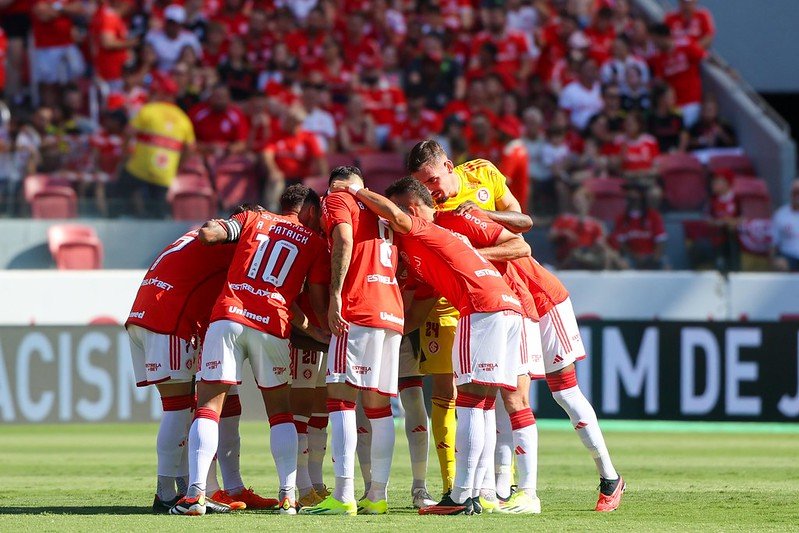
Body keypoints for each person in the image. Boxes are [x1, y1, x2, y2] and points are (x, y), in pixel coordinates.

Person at [326, 177, 526, 516]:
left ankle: (460, 497)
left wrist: (354, 191)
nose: (387, 219)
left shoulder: (422, 229)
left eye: (393, 211)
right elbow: (417, 312)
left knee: (469, 404)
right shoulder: (436, 243)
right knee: (484, 404)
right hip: (507, 307)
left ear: (411, 208)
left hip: (481, 308)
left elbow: (396, 216)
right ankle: (478, 493)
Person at [170, 197, 330, 516]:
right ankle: (288, 497)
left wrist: (214, 227)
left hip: (229, 316)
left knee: (208, 408)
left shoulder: (252, 219)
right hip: (272, 324)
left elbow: (208, 235)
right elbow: (313, 298)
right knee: (280, 413)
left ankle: (195, 496)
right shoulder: (314, 242)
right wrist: (318, 332)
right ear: (309, 211)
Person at [406, 139, 531, 497]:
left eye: (432, 181)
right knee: (446, 392)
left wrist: (477, 221)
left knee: (505, 393)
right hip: (444, 305)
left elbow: (523, 222)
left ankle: (500, 481)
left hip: (494, 298)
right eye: (423, 185)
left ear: (448, 166)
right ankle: (452, 485)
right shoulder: (430, 206)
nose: (431, 192)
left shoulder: (482, 172)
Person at [126, 204, 268, 514]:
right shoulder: (233, 241)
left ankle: (211, 489)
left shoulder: (197, 238)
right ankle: (167, 494)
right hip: (170, 319)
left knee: (219, 398)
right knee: (178, 408)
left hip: (150, 313)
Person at [297, 166, 404, 517]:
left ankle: (343, 494)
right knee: (379, 408)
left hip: (358, 308)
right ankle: (377, 496)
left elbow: (343, 238)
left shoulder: (337, 198)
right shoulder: (379, 206)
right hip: (391, 310)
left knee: (340, 399)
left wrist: (337, 294)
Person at [278, 184, 332, 508]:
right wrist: (310, 329)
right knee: (300, 408)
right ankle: (299, 485)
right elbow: (286, 295)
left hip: (323, 335)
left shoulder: (318, 240)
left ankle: (317, 481)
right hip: (302, 336)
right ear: (309, 210)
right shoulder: (298, 241)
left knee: (321, 411)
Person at [118, 73, 195, 217]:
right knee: (157, 213)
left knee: (119, 198)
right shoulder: (183, 118)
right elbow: (190, 148)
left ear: (160, 93)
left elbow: (128, 132)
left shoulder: (149, 110)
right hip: (164, 173)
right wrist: (178, 165)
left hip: (139, 168)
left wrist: (125, 153)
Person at [262, 106, 328, 212]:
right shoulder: (277, 135)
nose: (293, 125)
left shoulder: (308, 137)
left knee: (310, 187)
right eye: (290, 121)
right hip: (281, 177)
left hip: (302, 177)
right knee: (276, 182)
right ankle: (271, 211)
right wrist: (273, 170)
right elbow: (267, 154)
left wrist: (324, 176)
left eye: (296, 122)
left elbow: (319, 158)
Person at [648, 22, 707, 128]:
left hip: (691, 102)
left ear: (663, 37)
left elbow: (706, 58)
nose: (654, 45)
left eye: (655, 41)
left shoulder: (686, 45)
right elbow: (660, 82)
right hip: (673, 107)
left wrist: (728, 70)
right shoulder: (658, 58)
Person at [31, 0, 89, 107]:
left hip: (68, 44)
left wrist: (55, 8)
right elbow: (43, 15)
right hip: (46, 46)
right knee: (49, 84)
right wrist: (65, 9)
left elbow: (79, 8)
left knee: (74, 81)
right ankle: (51, 113)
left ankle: (71, 113)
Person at [610, 183, 668, 270]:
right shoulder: (621, 219)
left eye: (636, 197)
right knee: (622, 264)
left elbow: (661, 241)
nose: (633, 200)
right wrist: (635, 256)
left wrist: (654, 259)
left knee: (665, 265)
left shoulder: (654, 216)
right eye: (629, 197)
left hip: (652, 256)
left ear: (642, 198)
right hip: (632, 258)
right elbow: (622, 244)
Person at [188, 84, 250, 157]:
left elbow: (242, 143)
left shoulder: (236, 114)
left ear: (229, 98)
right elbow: (188, 141)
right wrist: (207, 148)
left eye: (223, 96)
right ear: (210, 97)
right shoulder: (197, 112)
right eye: (217, 96)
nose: (220, 100)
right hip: (201, 153)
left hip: (228, 155)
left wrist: (227, 148)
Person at [145, 4, 202, 73]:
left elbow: (197, 62)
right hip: (157, 74)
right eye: (171, 23)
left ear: (182, 24)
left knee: (188, 51)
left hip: (182, 74)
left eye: (177, 24)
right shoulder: (153, 36)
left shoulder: (190, 39)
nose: (174, 27)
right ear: (166, 22)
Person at [770, 181, 799, 272]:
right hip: (788, 255)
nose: (797, 196)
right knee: (781, 264)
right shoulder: (780, 214)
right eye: (795, 192)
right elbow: (773, 243)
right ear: (790, 194)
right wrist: (773, 259)